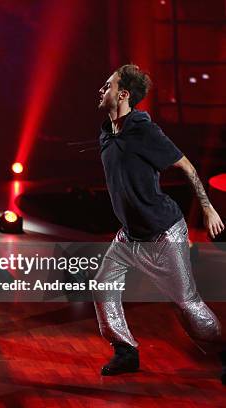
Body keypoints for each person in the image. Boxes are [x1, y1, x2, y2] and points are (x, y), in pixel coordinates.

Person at [94, 64, 226, 381]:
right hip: (129, 236)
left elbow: (187, 167)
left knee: (187, 303)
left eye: (108, 85)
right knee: (103, 285)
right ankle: (125, 351)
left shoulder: (144, 131)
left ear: (123, 94)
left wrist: (207, 209)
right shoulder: (107, 133)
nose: (101, 89)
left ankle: (224, 352)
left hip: (163, 233)